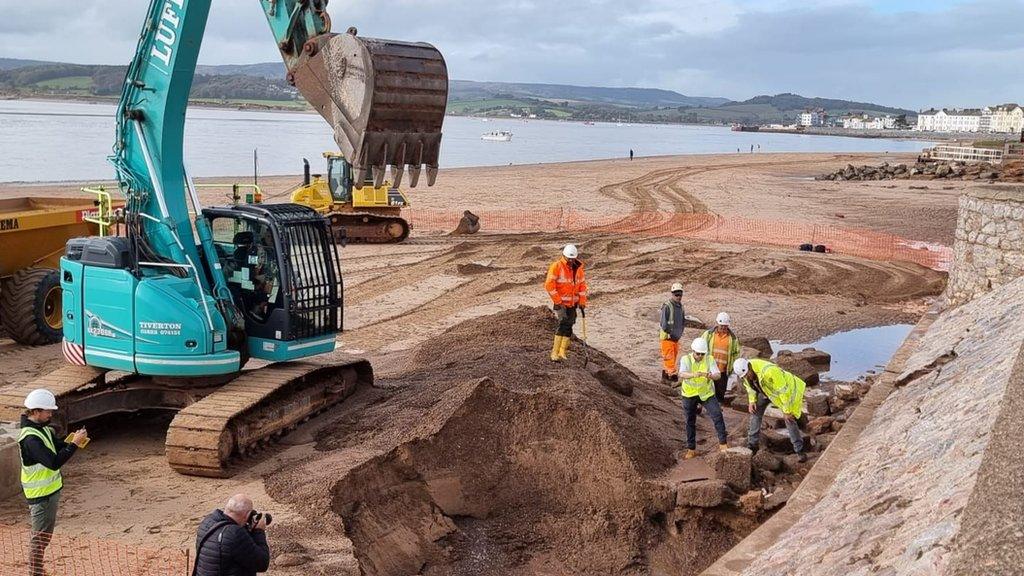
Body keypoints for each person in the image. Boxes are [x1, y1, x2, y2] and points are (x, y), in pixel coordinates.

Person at [18, 389, 88, 576]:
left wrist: (74, 440)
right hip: (40, 496)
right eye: (48, 411)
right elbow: (54, 462)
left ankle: (37, 571)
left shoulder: (42, 430)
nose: (51, 414)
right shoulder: (31, 439)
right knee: (39, 538)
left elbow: (57, 447)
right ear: (36, 411)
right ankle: (36, 573)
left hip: (49, 492)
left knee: (44, 537)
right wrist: (74, 445)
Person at [733, 358, 808, 462]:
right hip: (766, 392)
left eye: (746, 375)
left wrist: (786, 411)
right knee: (755, 413)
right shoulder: (745, 373)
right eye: (744, 377)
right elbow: (749, 388)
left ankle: (800, 451)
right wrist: (752, 401)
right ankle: (752, 445)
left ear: (749, 367)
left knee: (789, 419)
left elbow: (783, 391)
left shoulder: (769, 371)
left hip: (787, 392)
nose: (746, 377)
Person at [194, 494, 271, 576]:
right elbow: (262, 564)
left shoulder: (207, 522)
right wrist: (259, 531)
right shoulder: (235, 533)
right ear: (248, 515)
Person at [678, 338, 729, 459]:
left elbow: (718, 375)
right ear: (693, 351)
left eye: (702, 354)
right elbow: (681, 373)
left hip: (706, 394)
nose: (700, 356)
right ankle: (691, 448)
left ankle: (723, 443)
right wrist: (693, 375)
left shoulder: (709, 359)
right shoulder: (686, 359)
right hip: (689, 394)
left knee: (717, 415)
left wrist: (711, 375)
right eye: (698, 354)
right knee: (690, 421)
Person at [544, 244, 588, 361]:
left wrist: (582, 301)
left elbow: (582, 286)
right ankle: (555, 353)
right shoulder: (556, 266)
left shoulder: (578, 269)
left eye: (572, 259)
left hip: (572, 304)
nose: (570, 261)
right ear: (563, 256)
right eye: (568, 258)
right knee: (562, 325)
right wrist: (558, 301)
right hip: (561, 304)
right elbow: (549, 285)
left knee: (569, 325)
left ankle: (563, 351)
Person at [701, 312, 741, 404]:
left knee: (720, 391)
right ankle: (704, 405)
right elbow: (701, 346)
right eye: (721, 326)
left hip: (723, 370)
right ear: (717, 323)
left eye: (725, 326)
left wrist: (733, 366)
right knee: (706, 388)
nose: (723, 328)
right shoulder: (708, 334)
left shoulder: (733, 338)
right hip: (709, 368)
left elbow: (736, 353)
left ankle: (719, 407)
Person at [659, 283, 685, 385]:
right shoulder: (667, 306)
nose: (678, 296)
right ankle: (672, 381)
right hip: (668, 338)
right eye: (676, 294)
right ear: (672, 294)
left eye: (680, 294)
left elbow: (682, 322)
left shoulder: (681, 307)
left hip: (675, 338)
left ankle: (665, 380)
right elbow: (663, 323)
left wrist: (679, 333)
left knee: (671, 360)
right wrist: (670, 333)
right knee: (669, 361)